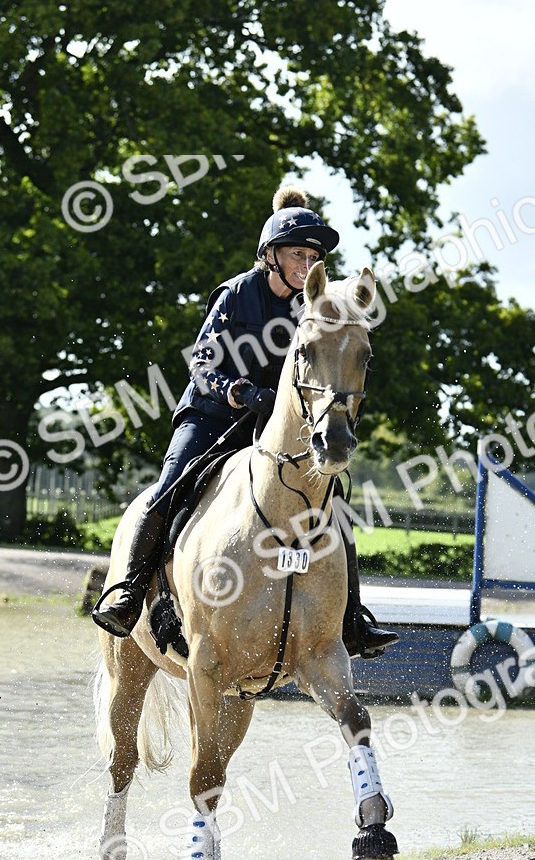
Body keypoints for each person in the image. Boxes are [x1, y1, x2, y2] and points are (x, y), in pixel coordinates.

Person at [92, 185, 397, 659]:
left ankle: (352, 617)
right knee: (172, 483)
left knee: (333, 499)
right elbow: (203, 365)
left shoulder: (314, 307)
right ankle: (129, 592)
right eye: (298, 254)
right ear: (270, 256)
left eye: (313, 256)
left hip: (271, 427)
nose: (308, 263)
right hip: (213, 415)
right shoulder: (237, 294)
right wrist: (241, 391)